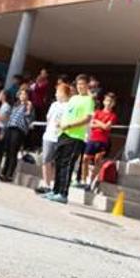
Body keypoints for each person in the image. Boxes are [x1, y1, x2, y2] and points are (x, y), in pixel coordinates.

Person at [47, 75, 95, 204]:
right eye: (78, 84)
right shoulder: (73, 98)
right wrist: (61, 124)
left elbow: (87, 119)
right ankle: (55, 190)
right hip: (63, 133)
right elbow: (67, 113)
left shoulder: (89, 100)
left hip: (75, 137)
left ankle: (63, 194)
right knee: (58, 162)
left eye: (83, 84)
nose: (80, 87)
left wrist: (70, 125)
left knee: (67, 165)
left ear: (87, 86)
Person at [36, 83, 70, 194]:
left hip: (60, 136)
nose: (56, 94)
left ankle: (54, 185)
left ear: (64, 93)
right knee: (46, 159)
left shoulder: (69, 106)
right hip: (49, 135)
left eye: (58, 92)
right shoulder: (54, 104)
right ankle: (47, 184)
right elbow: (48, 118)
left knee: (56, 162)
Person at [81, 93, 117, 187]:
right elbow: (91, 125)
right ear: (104, 101)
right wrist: (101, 125)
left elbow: (107, 127)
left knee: (98, 160)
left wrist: (98, 122)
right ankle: (84, 180)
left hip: (103, 141)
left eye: (111, 101)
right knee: (85, 158)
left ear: (113, 104)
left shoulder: (112, 115)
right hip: (93, 138)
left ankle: (91, 181)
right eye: (107, 101)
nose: (108, 103)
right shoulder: (97, 112)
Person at [0, 88, 33, 181]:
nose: (22, 96)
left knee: (13, 152)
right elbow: (10, 117)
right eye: (21, 94)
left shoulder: (28, 105)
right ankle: (3, 172)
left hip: (19, 130)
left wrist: (29, 108)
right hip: (10, 127)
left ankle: (9, 174)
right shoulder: (16, 105)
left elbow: (29, 117)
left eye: (25, 94)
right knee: (8, 151)